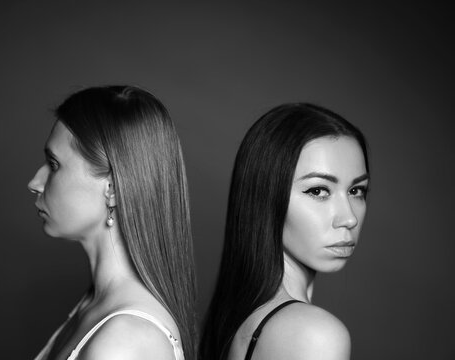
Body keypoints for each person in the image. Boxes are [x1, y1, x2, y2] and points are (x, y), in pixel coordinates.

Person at [28, 86, 196, 360]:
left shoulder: (124, 343)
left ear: (113, 189)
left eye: (54, 164)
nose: (35, 183)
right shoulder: (94, 305)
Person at [199, 103, 370, 360]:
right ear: (266, 197)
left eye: (356, 191)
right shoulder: (315, 335)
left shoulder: (241, 321)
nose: (349, 218)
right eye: (318, 191)